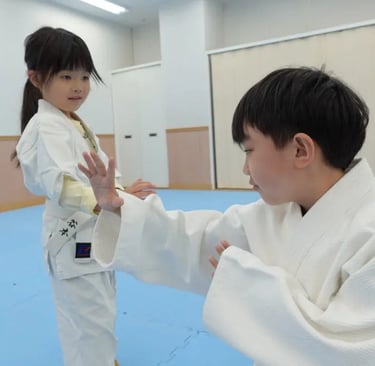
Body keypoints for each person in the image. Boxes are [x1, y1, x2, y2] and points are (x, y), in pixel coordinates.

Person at [79, 66, 375, 365]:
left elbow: (346, 352)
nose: (246, 168)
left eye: (249, 150)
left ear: (300, 150)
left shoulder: (368, 234)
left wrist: (246, 282)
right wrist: (120, 209)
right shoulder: (274, 214)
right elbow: (192, 241)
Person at [13, 26, 155, 366]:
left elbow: (99, 176)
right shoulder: (45, 126)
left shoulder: (75, 123)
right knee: (89, 317)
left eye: (85, 76)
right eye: (66, 76)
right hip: (73, 237)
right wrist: (103, 199)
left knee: (93, 311)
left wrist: (121, 193)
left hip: (93, 232)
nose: (78, 86)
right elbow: (60, 184)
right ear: (36, 78)